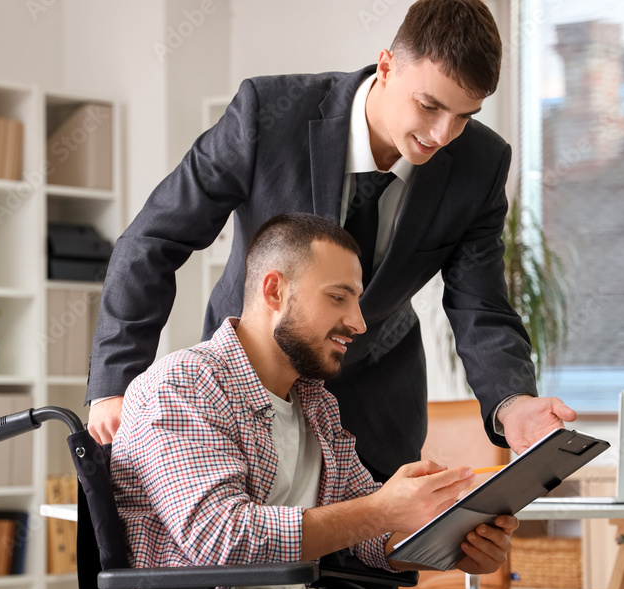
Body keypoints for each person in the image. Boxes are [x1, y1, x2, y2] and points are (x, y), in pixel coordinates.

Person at [89, 0, 577, 479]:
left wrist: (513, 404)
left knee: (376, 555)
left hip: (376, 408)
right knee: (248, 550)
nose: (441, 134)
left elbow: (481, 306)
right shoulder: (268, 116)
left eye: (464, 116)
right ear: (387, 67)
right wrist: (115, 386)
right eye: (429, 105)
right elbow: (153, 241)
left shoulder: (480, 164)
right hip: (244, 388)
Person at [110, 213, 577, 589]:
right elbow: (222, 541)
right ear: (275, 290)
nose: (358, 321)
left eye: (356, 300)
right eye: (338, 298)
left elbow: (368, 536)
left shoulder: (315, 403)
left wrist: (453, 541)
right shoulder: (182, 385)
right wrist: (382, 508)